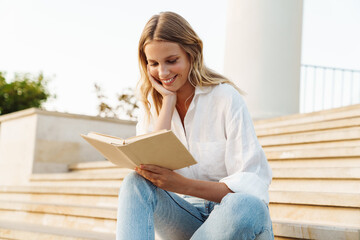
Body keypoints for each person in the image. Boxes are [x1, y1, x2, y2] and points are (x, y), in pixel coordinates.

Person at [116, 11, 273, 240]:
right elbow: (152, 170)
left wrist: (181, 184)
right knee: (135, 182)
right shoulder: (153, 105)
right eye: (154, 64)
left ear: (192, 54)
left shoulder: (225, 98)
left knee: (244, 203)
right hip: (184, 218)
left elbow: (252, 186)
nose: (163, 73)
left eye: (171, 61)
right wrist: (168, 103)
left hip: (232, 219)